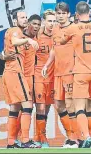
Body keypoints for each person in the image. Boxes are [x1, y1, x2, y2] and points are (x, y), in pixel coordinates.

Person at [57, 1, 91, 148]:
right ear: (89, 12)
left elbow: (62, 41)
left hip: (80, 72)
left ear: (76, 15)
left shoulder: (73, 28)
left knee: (79, 108)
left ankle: (86, 137)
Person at [42, 2, 78, 148]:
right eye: (59, 13)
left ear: (69, 14)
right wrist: (46, 65)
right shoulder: (55, 29)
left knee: (71, 106)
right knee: (59, 105)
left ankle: (76, 138)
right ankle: (70, 136)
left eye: (64, 13)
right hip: (58, 72)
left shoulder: (74, 28)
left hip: (70, 72)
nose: (61, 15)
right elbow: (54, 49)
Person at [2, 11, 39, 148]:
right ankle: (25, 140)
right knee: (27, 105)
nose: (25, 19)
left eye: (25, 17)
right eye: (21, 17)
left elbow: (5, 50)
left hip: (10, 72)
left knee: (14, 107)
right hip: (15, 72)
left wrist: (3, 55)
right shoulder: (15, 31)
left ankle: (11, 142)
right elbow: (15, 41)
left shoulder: (12, 32)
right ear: (14, 20)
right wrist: (28, 40)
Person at [33, 10, 56, 148]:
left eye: (54, 21)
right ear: (44, 21)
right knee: (40, 107)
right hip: (39, 74)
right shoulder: (37, 36)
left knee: (47, 108)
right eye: (49, 21)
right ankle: (42, 138)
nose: (52, 24)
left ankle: (38, 136)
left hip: (53, 76)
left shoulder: (58, 35)